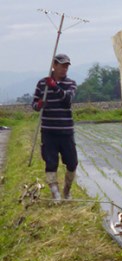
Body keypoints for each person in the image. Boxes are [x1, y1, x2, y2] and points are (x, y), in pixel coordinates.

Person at [32, 53, 78, 201]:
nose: (64, 69)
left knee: (72, 163)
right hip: (49, 131)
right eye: (62, 65)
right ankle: (55, 194)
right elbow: (34, 104)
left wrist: (55, 86)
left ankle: (67, 190)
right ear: (54, 65)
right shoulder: (42, 84)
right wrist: (38, 105)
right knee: (51, 162)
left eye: (66, 66)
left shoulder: (70, 83)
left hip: (66, 131)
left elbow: (67, 99)